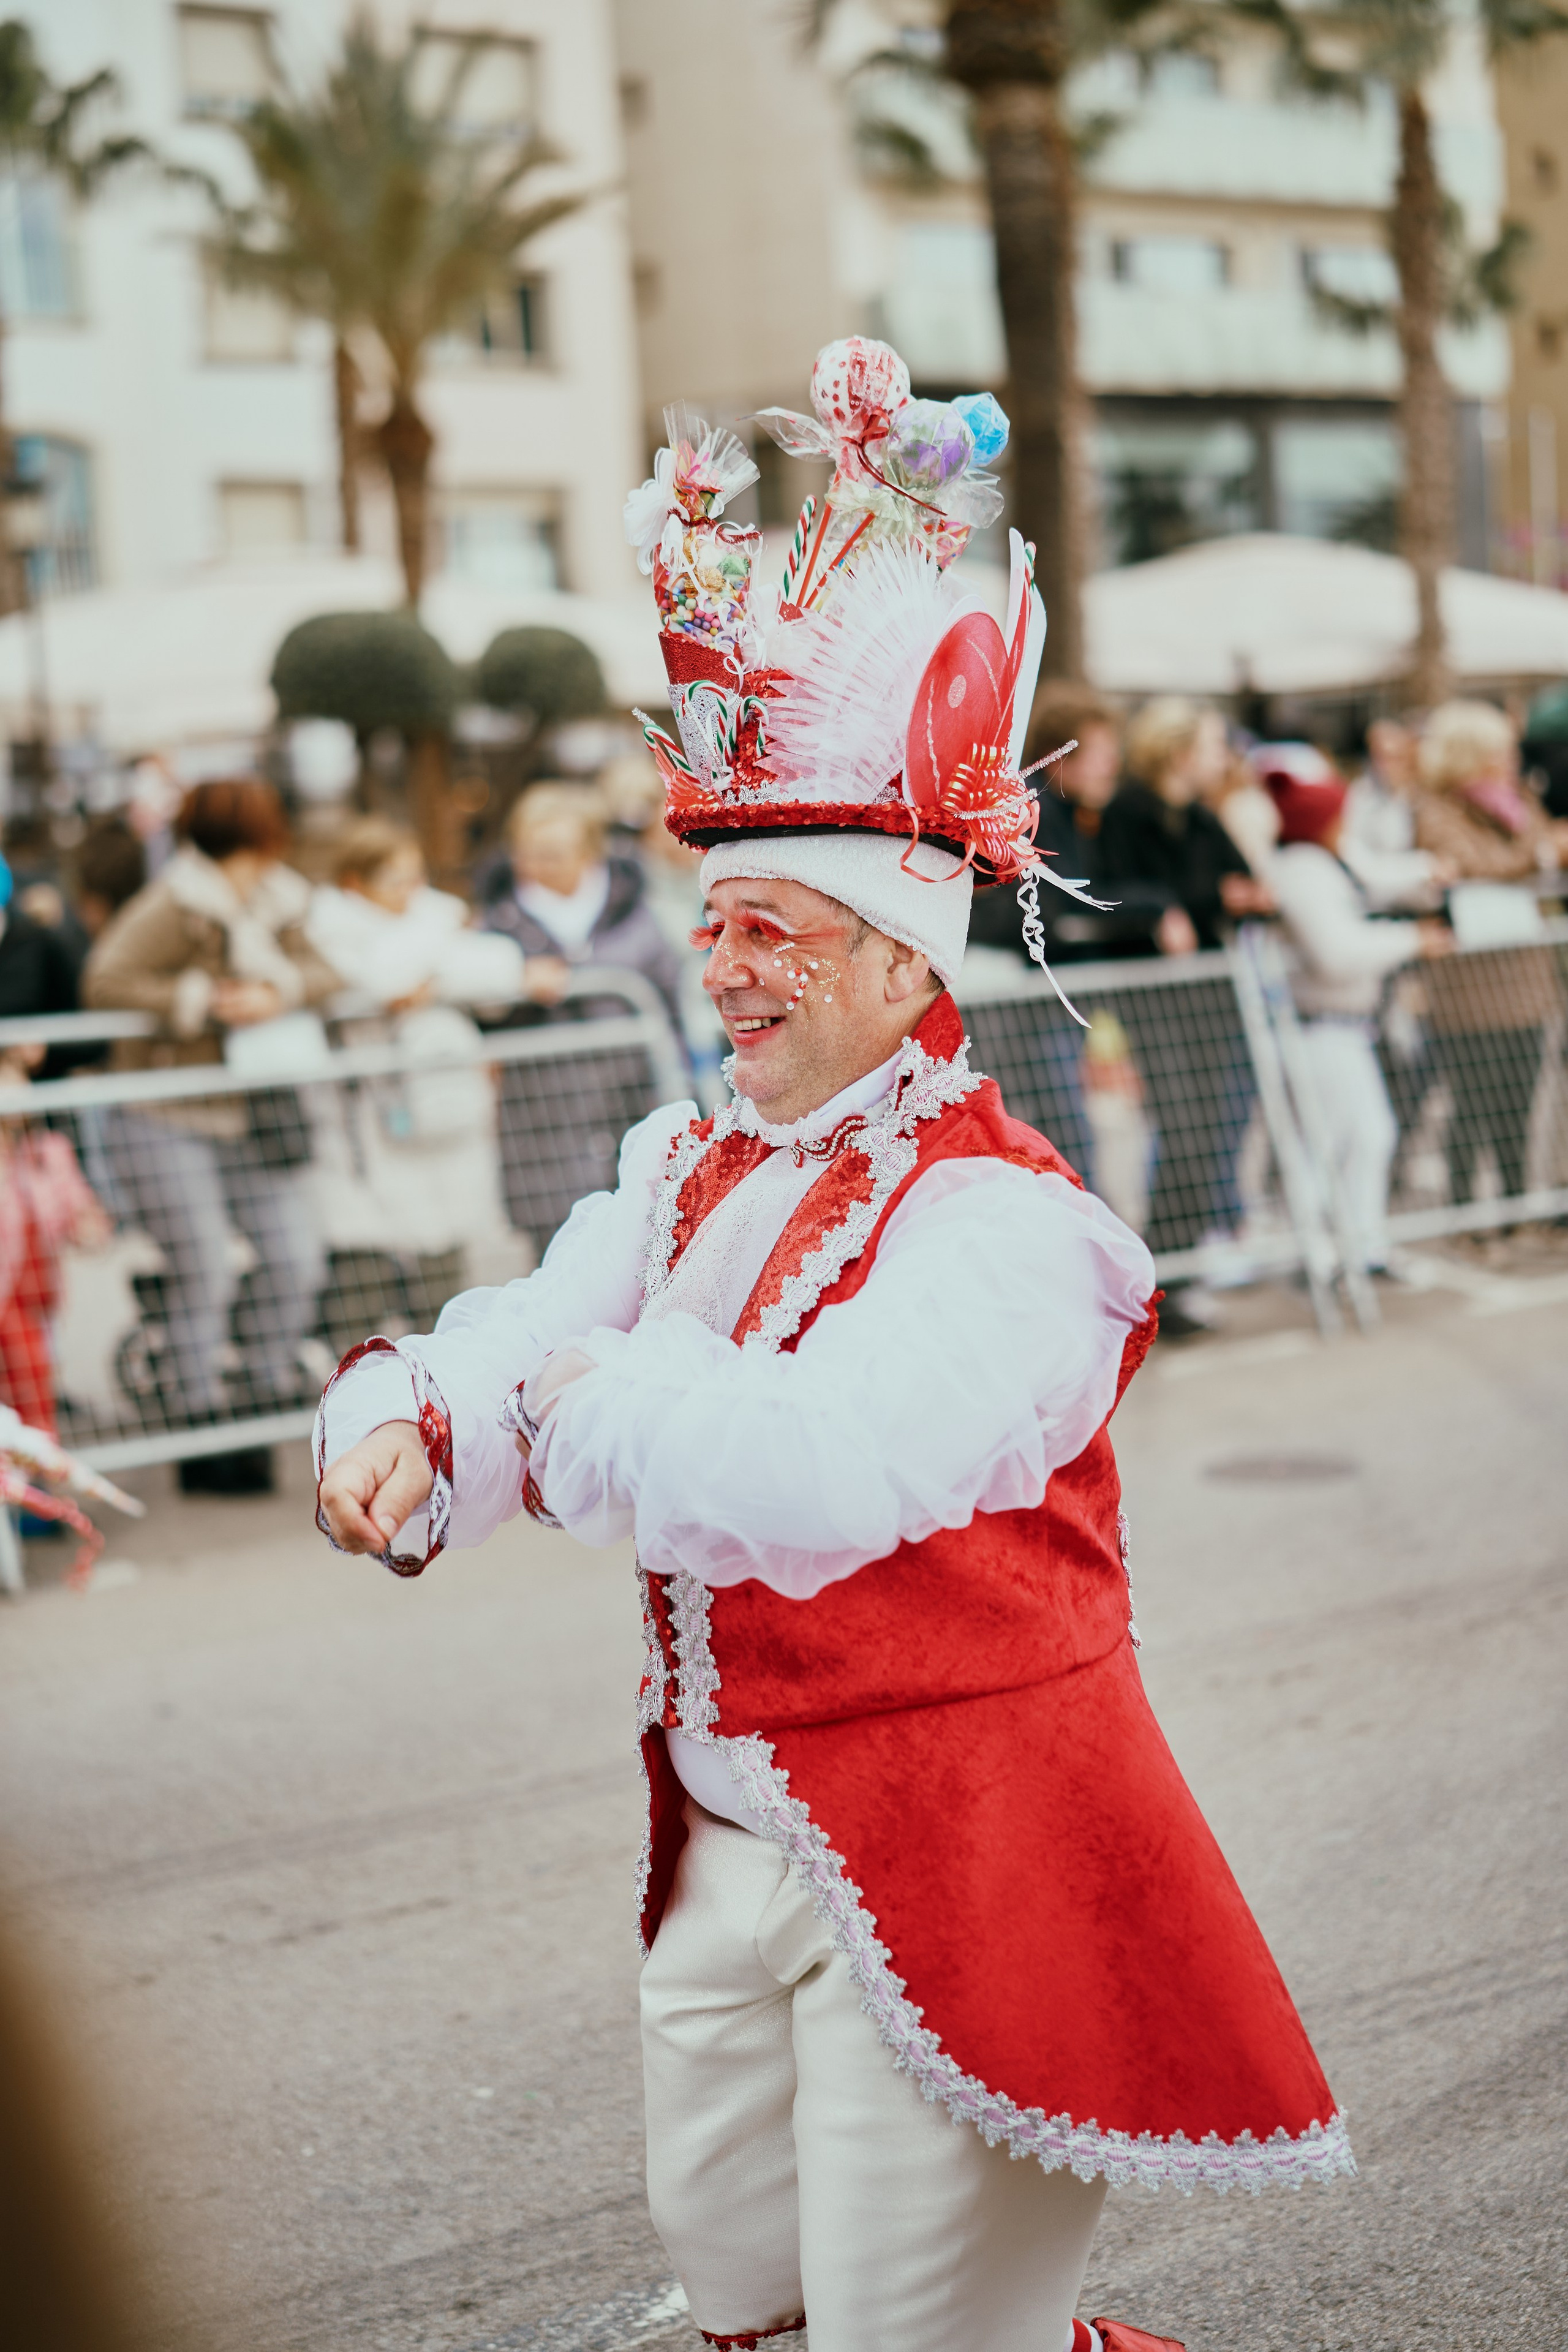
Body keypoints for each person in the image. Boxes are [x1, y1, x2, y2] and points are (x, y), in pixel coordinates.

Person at [316, 339, 1351, 2352]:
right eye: (714, 922)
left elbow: (817, 1474)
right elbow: (546, 1321)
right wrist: (430, 1424)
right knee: (749, 2306)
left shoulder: (1014, 1227)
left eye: (775, 922)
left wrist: (555, 1400)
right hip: (722, 1835)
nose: (724, 963)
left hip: (961, 1851)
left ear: (904, 953)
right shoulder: (686, 1156)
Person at [82, 778, 339, 1420]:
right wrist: (199, 998)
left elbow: (329, 971)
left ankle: (261, 1383)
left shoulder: (283, 900)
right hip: (166, 1108)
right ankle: (196, 1409)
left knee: (294, 1255)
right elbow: (107, 980)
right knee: (204, 1265)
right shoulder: (174, 903)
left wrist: (274, 992)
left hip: (252, 1109)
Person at [1258, 745, 1452, 1271]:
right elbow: (1337, 955)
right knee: (1323, 1147)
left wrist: (1426, 873)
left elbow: (1377, 873)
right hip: (1317, 1028)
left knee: (1369, 1136)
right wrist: (1411, 940)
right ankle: (1317, 1257)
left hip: (1343, 1028)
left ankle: (1358, 1249)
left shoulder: (1321, 860)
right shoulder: (1302, 871)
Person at [1097, 701, 1267, 1270]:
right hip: (1157, 995)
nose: (1224, 760)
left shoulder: (1200, 815)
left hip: (1211, 992)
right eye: (1215, 747)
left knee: (1217, 1121)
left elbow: (1244, 881)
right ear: (1180, 752)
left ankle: (1190, 1252)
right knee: (1185, 1121)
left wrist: (1219, 897)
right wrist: (1197, 901)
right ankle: (1170, 1260)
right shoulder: (1127, 813)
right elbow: (1119, 891)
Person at [1413, 700, 1568, 1205]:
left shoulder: (1520, 798)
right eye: (1498, 752)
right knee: (1471, 1106)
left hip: (1526, 979)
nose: (1511, 762)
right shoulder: (1436, 809)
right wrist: (1539, 854)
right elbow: (1475, 862)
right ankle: (1464, 1213)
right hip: (1471, 989)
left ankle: (1515, 1204)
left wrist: (1536, 852)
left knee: (1520, 1104)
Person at [481, 782, 682, 1028]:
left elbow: (669, 987)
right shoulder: (501, 919)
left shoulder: (631, 908)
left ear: (588, 852)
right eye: (527, 854)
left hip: (631, 1058)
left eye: (553, 855)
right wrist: (512, 978)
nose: (537, 866)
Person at [306, 818, 538, 1012]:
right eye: (396, 883)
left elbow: (493, 960)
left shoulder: (435, 910)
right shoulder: (332, 927)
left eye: (416, 879)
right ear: (354, 883)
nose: (410, 891)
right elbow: (383, 988)